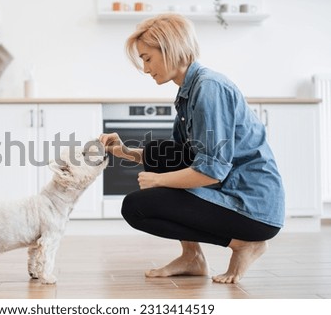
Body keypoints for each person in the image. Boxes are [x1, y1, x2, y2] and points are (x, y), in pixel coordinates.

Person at [99, 14, 285, 284]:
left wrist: (158, 180)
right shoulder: (190, 90)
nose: (145, 68)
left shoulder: (209, 89)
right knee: (158, 152)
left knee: (135, 207)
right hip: (229, 191)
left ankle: (244, 244)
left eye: (147, 58)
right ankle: (192, 257)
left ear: (170, 48)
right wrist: (126, 152)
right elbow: (180, 156)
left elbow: (212, 171)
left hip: (253, 208)